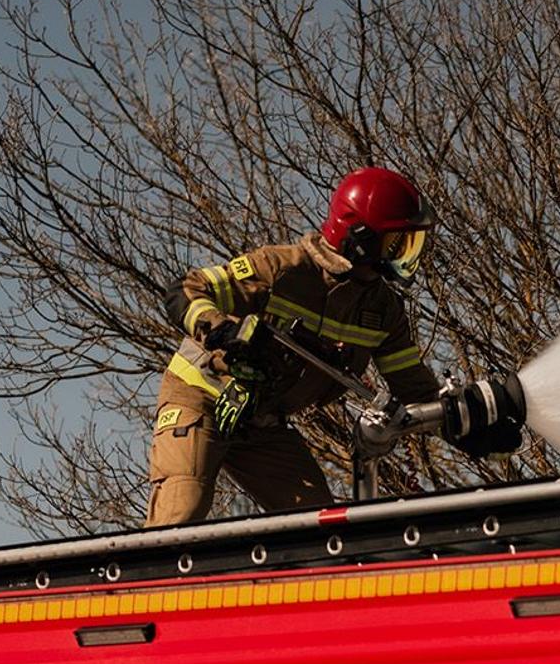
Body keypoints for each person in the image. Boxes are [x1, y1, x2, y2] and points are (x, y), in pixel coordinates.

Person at [145, 167, 444, 527]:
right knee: (182, 508)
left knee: (317, 526)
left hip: (261, 421)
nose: (407, 254)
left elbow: (416, 391)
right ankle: (141, 583)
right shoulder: (280, 269)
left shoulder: (383, 312)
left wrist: (475, 423)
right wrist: (223, 331)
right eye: (398, 242)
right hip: (201, 398)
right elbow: (188, 289)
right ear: (361, 237)